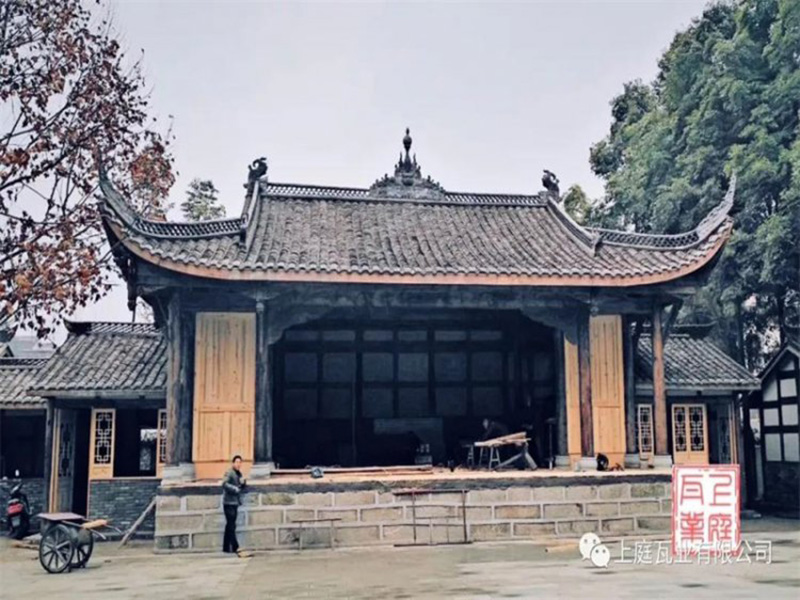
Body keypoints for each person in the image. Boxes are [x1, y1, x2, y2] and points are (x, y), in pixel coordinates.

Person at [222, 454, 246, 554]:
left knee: (229, 525)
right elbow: (224, 484)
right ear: (233, 463)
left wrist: (243, 483)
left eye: (240, 462)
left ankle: (226, 547)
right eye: (237, 462)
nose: (238, 464)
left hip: (234, 502)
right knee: (231, 525)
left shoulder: (238, 474)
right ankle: (235, 547)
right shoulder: (230, 472)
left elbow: (240, 486)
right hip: (228, 502)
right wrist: (235, 489)